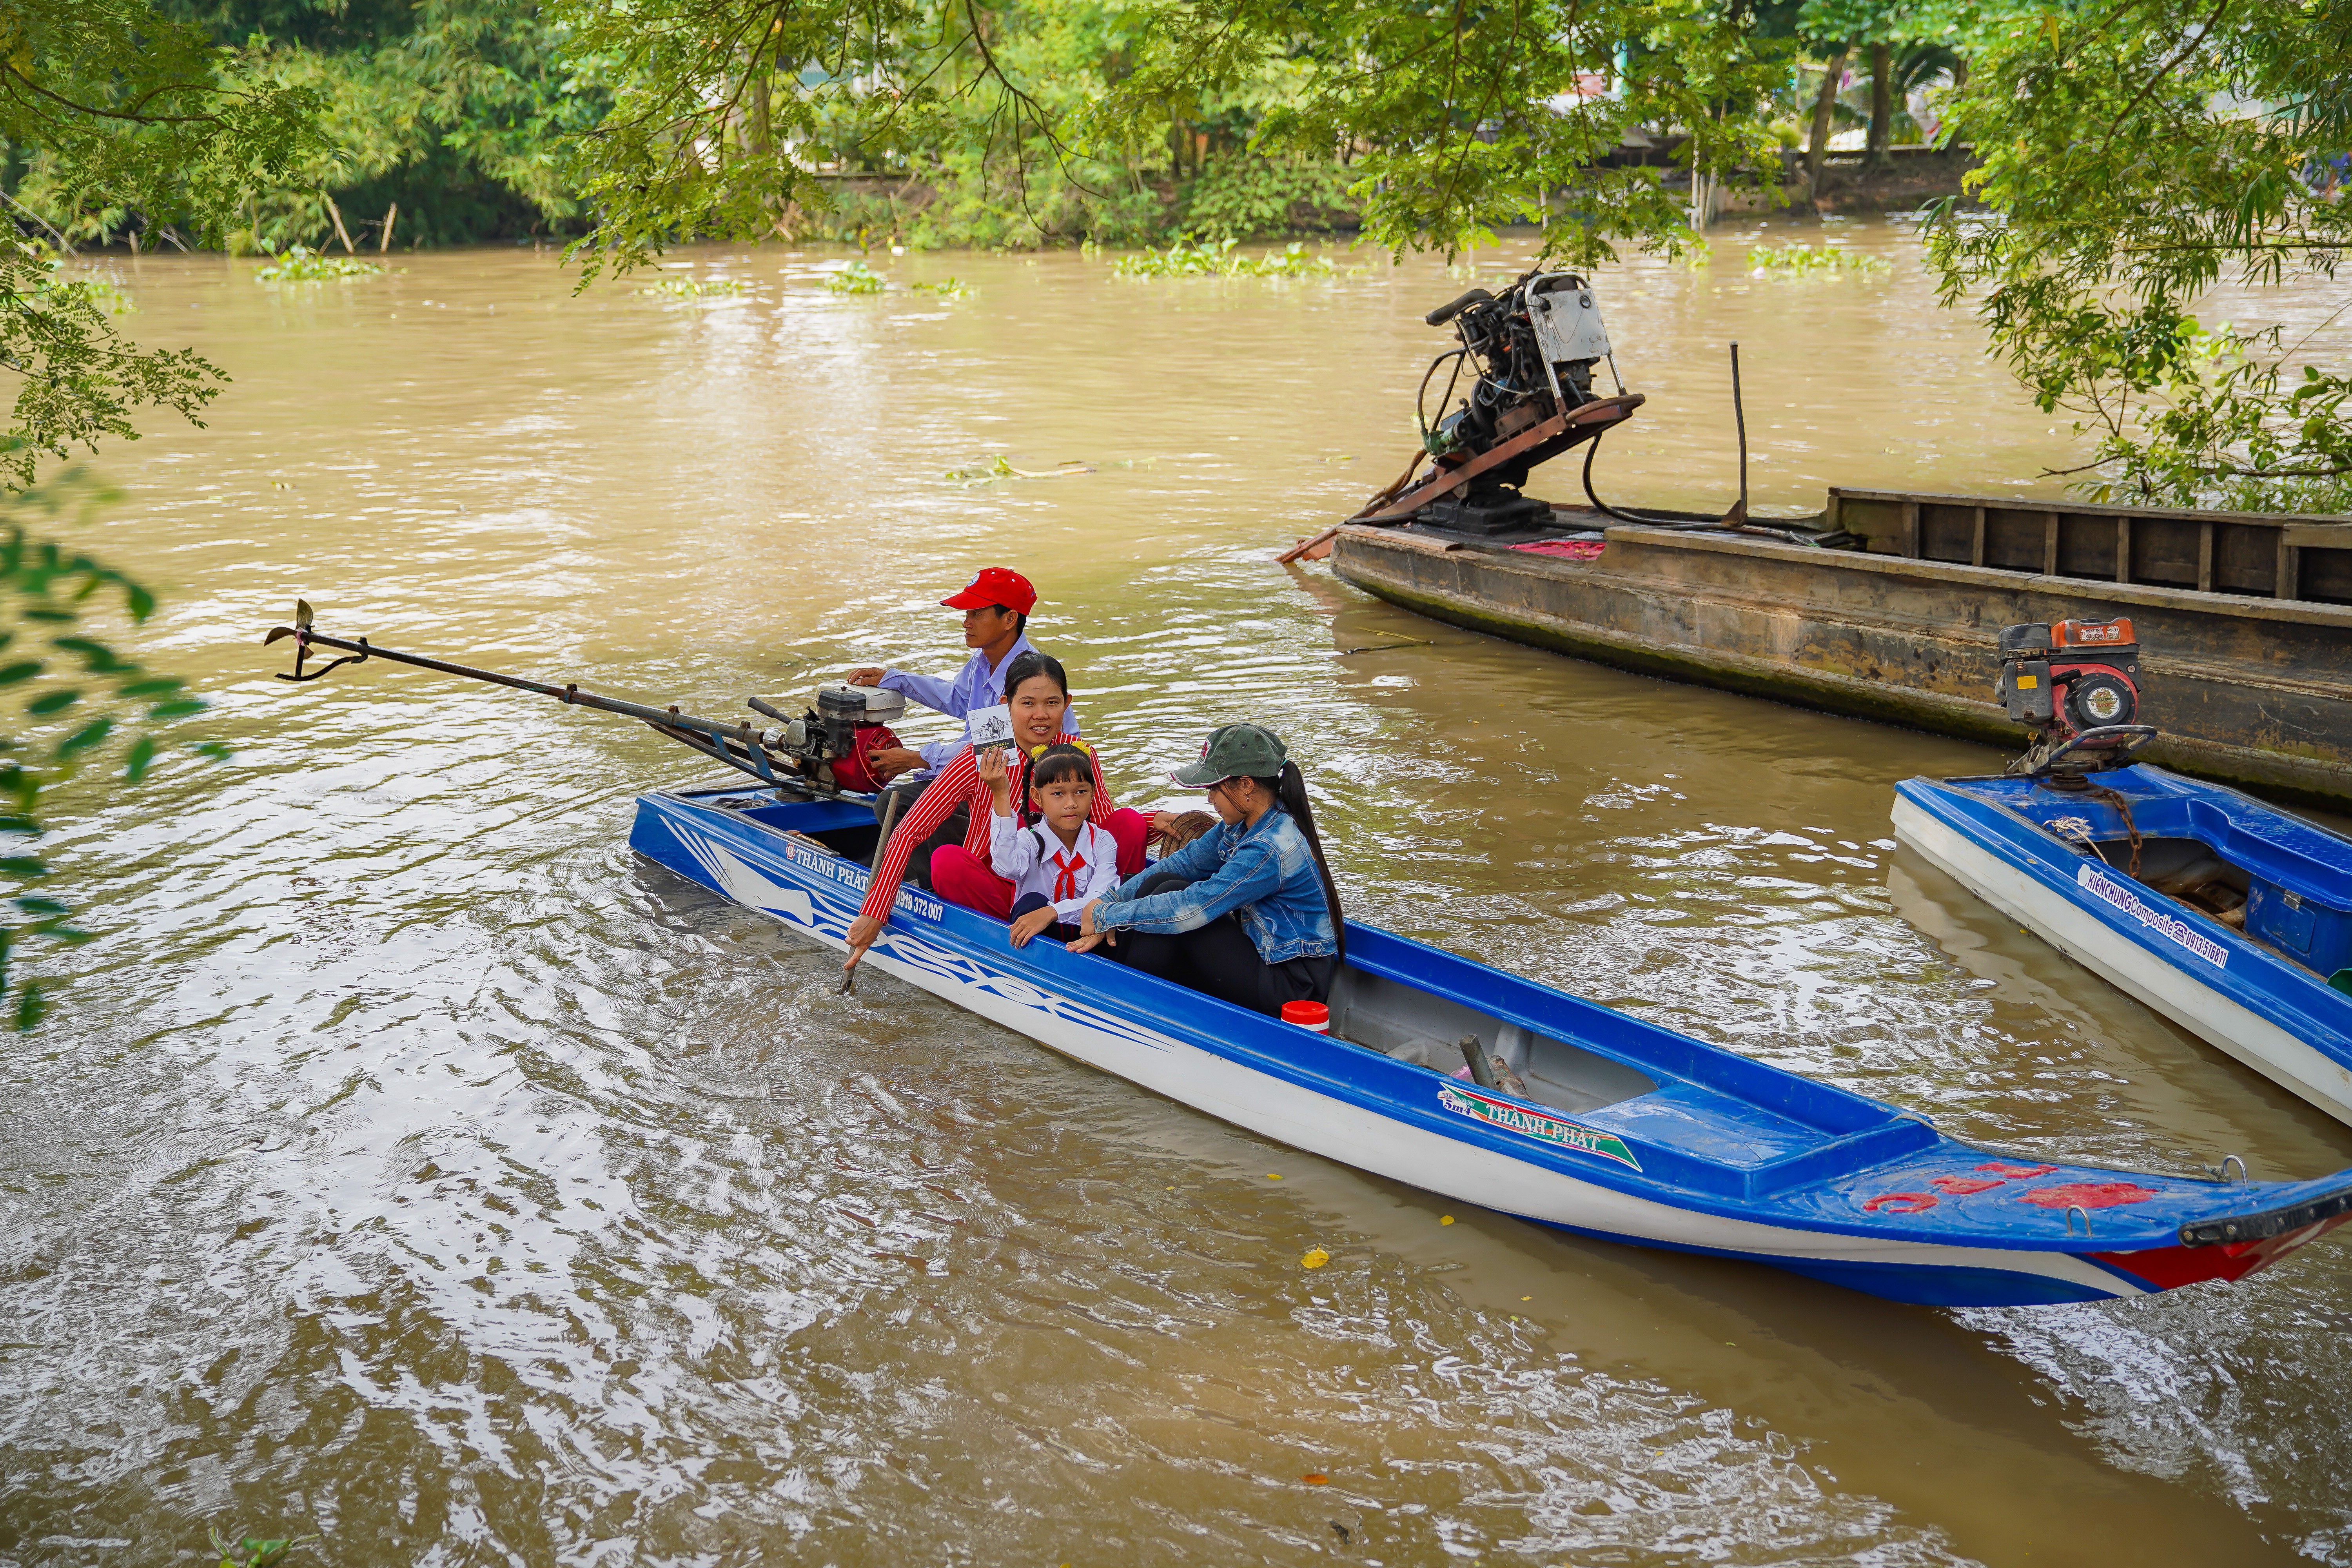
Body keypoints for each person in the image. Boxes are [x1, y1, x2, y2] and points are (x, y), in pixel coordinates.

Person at [841, 652, 1145, 974]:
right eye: (1028, 703)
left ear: (1067, 704)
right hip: (1004, 890)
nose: (1041, 716)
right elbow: (910, 831)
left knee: (1131, 821)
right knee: (947, 862)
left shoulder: (1079, 754)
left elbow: (1103, 827)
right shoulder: (982, 757)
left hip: (1078, 892)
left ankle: (1109, 925)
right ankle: (1013, 941)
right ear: (1005, 704)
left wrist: (1154, 823)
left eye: (1052, 704)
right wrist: (876, 911)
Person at [1068, 723, 1344, 1017]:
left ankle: (1124, 1001)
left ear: (1247, 785)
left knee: (1172, 896)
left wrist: (1106, 917)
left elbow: (1193, 907)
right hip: (1261, 956)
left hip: (1291, 987)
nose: (1210, 799)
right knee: (1164, 880)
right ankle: (1125, 982)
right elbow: (1183, 863)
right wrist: (1108, 901)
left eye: (1214, 788)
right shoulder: (1242, 823)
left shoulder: (1269, 848)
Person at [988, 742, 1122, 949]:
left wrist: (1054, 912)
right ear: (1037, 797)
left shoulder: (1103, 841)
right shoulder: (1028, 839)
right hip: (1035, 936)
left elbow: (1101, 897)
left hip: (1088, 934)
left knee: (1116, 908)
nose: (1071, 803)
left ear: (1094, 792)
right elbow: (1006, 868)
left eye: (1081, 792)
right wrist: (1001, 795)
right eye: (1058, 794)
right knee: (1031, 902)